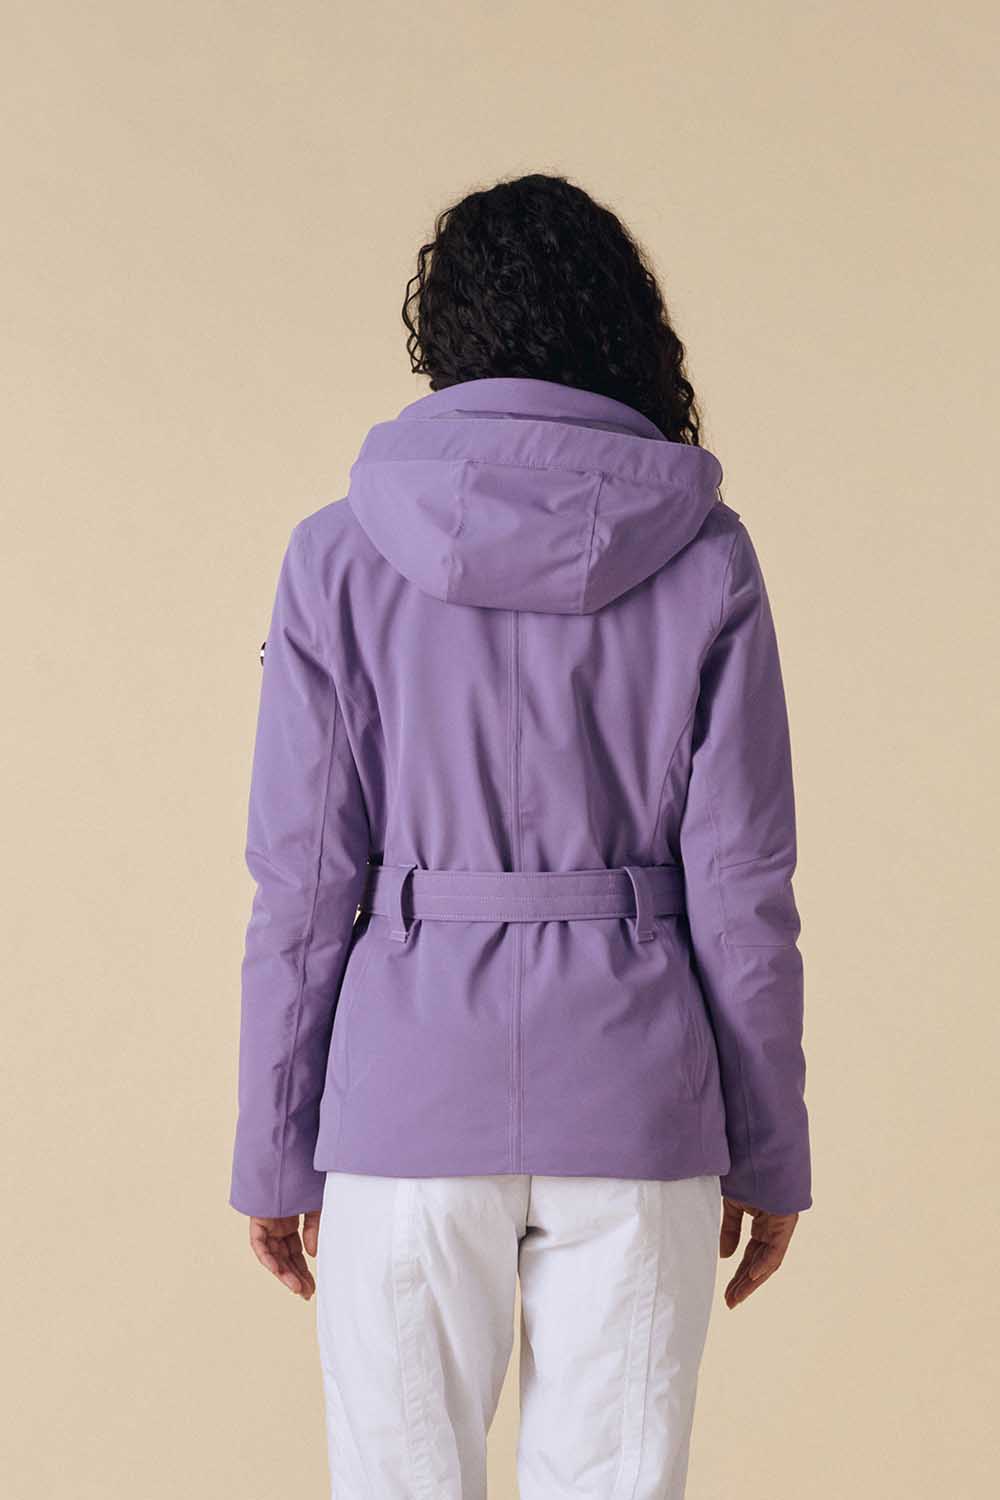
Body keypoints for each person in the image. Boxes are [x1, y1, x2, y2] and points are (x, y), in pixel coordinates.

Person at [228, 172, 811, 1500]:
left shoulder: (336, 557)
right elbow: (744, 888)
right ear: (619, 329)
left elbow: (302, 882)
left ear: (446, 336)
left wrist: (273, 1141)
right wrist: (770, 1143)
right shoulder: (708, 556)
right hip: (639, 1102)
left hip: (402, 1100)